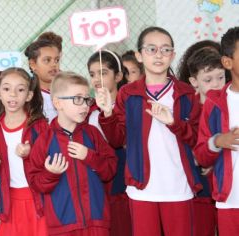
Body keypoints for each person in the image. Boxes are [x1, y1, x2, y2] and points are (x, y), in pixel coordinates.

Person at [98, 26, 202, 236]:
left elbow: (197, 139)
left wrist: (173, 122)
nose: (158, 55)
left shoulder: (186, 93)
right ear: (139, 55)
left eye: (165, 50)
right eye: (151, 49)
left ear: (172, 55)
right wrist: (107, 113)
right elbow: (117, 140)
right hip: (142, 186)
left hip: (178, 185)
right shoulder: (128, 93)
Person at [28, 71, 117, 235]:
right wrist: (51, 174)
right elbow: (35, 183)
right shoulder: (44, 141)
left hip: (97, 221)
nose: (85, 105)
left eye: (87, 99)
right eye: (77, 99)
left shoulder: (92, 134)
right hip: (63, 225)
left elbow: (110, 170)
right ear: (58, 103)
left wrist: (89, 157)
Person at [0, 67, 49, 236]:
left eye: (20, 89)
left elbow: (52, 159)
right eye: (7, 88)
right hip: (10, 202)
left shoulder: (39, 127)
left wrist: (32, 153)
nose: (13, 94)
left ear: (29, 95)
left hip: (39, 200)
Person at [194, 26, 239, 236]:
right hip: (230, 201)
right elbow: (201, 155)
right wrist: (218, 141)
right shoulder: (215, 102)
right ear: (227, 62)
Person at [87, 50, 131, 236]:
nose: (97, 79)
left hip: (121, 182)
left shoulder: (128, 105)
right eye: (92, 74)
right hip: (96, 182)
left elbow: (118, 141)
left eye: (103, 72)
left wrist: (109, 114)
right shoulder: (89, 109)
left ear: (119, 75)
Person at [185, 47, 226, 236]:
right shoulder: (187, 109)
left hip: (225, 186)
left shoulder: (231, 105)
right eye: (208, 80)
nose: (216, 84)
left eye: (221, 77)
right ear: (194, 81)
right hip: (199, 188)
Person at [25, 32, 62, 123]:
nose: (54, 64)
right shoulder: (27, 97)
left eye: (56, 60)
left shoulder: (69, 90)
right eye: (47, 60)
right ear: (33, 64)